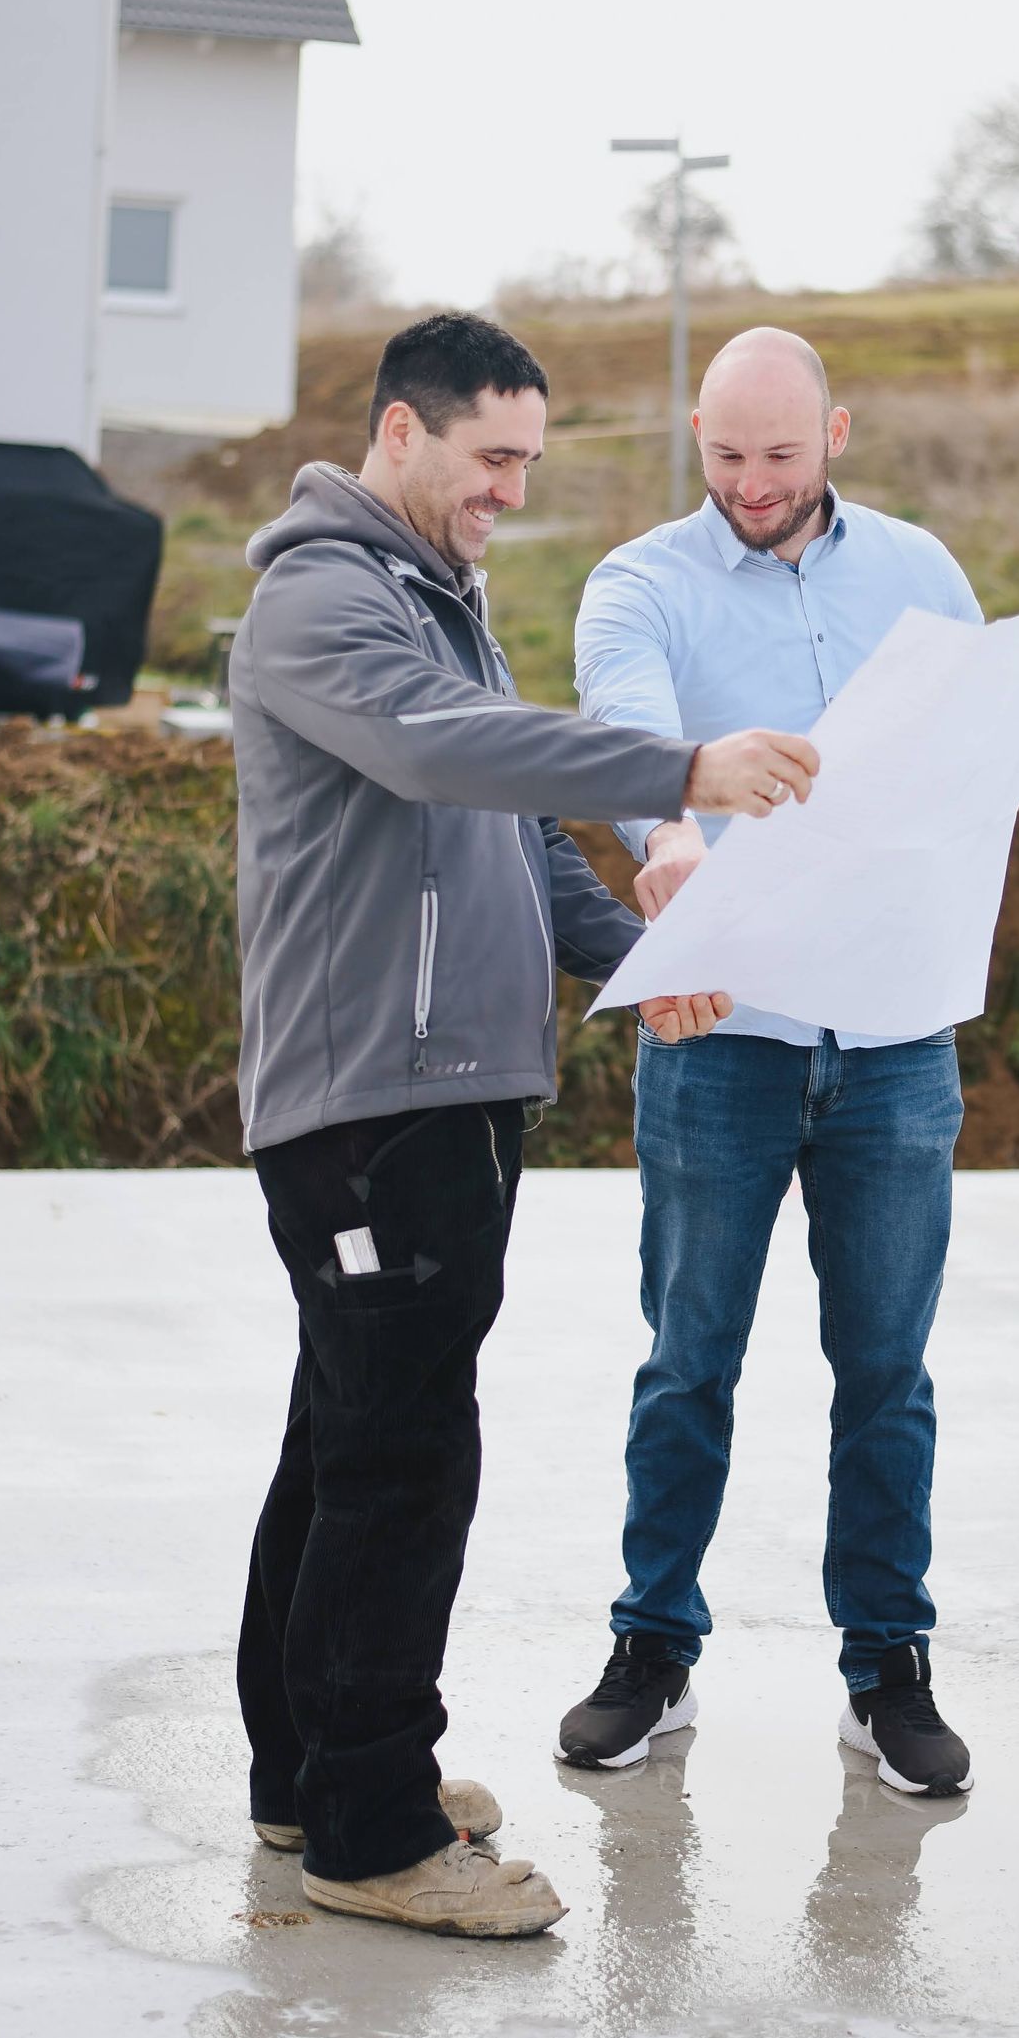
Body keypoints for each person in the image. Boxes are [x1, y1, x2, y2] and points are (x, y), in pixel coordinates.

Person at [229, 311, 818, 1937]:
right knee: (404, 1459)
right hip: (371, 1099)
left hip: (447, 1095)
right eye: (491, 461)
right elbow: (445, 753)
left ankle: (311, 1775)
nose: (510, 493)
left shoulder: (437, 597)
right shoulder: (324, 598)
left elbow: (516, 840)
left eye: (529, 467)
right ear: (401, 435)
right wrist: (687, 761)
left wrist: (649, 960)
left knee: (347, 1438)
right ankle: (371, 1831)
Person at [557, 326, 1019, 1795]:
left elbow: (992, 768)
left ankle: (887, 1671)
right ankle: (652, 1655)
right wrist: (667, 831)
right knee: (688, 1365)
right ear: (695, 434)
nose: (752, 483)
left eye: (781, 456)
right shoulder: (642, 584)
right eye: (727, 454)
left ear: (838, 436)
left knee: (887, 1374)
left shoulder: (922, 575)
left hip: (889, 1047)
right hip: (722, 1041)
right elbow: (622, 724)